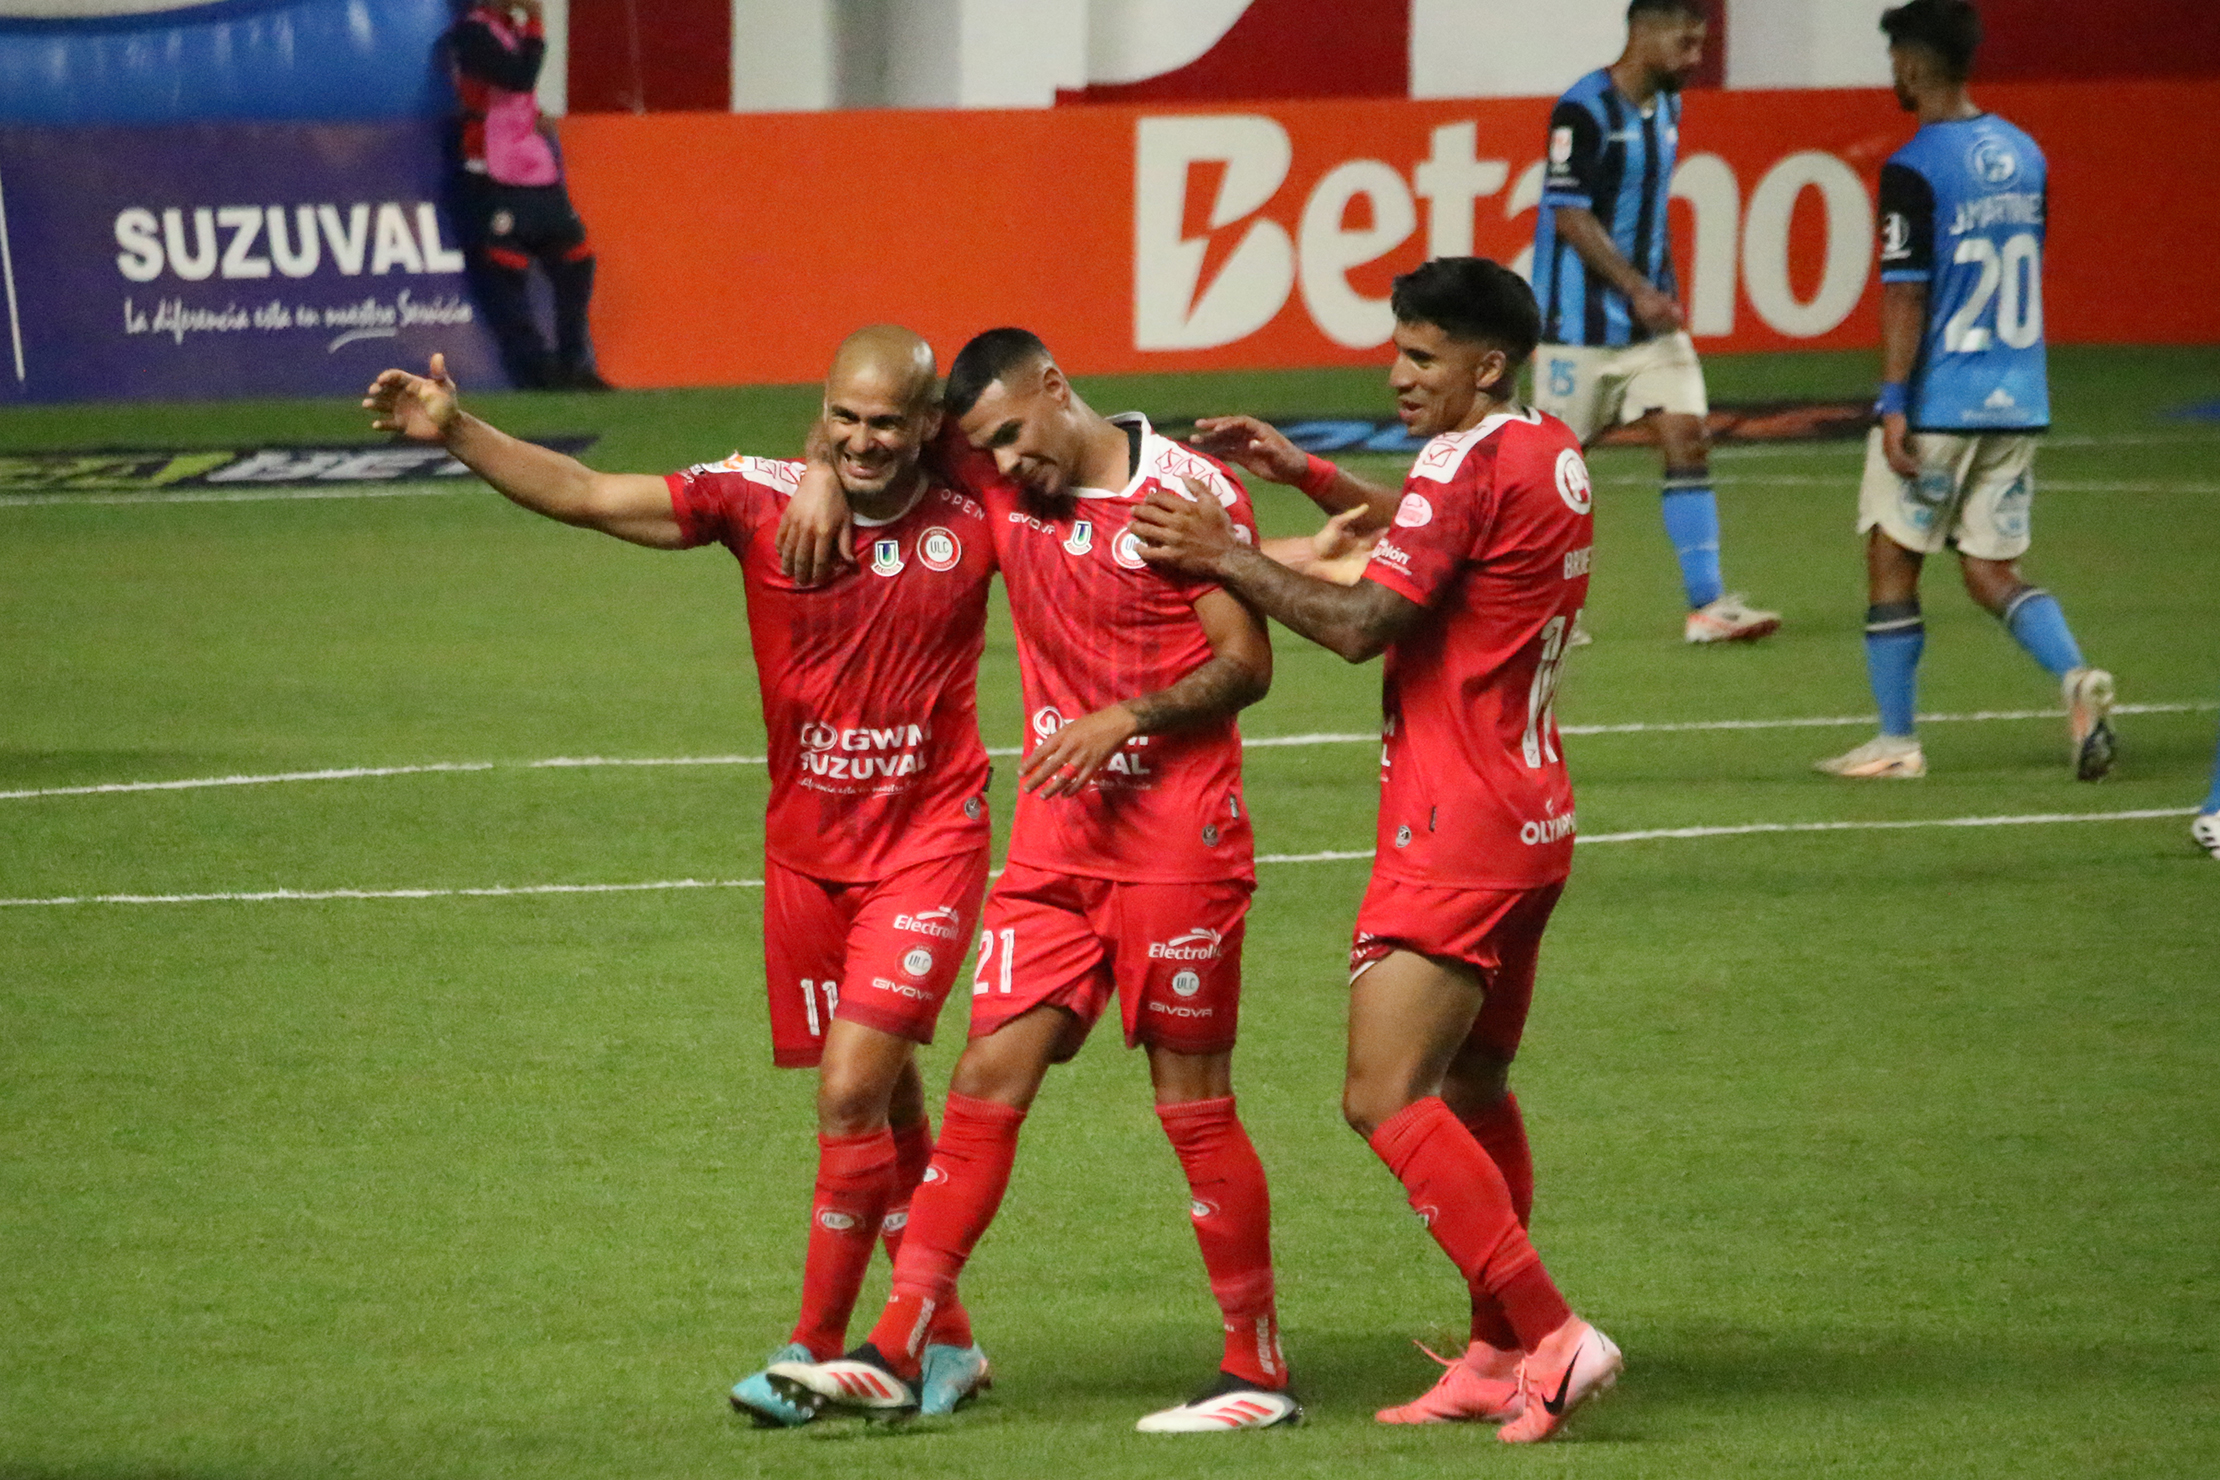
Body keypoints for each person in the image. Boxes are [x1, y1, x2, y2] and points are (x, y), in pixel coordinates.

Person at [361, 326, 994, 1423]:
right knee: (884, 1098)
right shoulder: (756, 500)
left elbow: (1087, 492)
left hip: (928, 845)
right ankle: (949, 1342)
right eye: (843, 419)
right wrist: (458, 430)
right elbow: (589, 494)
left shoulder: (975, 511)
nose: (861, 441)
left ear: (929, 424)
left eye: (887, 423)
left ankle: (814, 1352)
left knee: (849, 1091)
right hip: (806, 856)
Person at [768, 329, 1298, 1432]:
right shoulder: (1000, 469)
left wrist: (1128, 718)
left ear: (1056, 386)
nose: (1003, 467)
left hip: (1178, 851)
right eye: (988, 450)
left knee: (1192, 1107)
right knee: (983, 1083)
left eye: (1013, 437)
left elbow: (1247, 664)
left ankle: (1256, 1369)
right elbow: (870, 432)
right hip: (1055, 855)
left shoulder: (1184, 497)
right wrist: (818, 468)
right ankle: (898, 1346)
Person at [1132, 257, 1619, 1444]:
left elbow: (1360, 624)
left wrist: (1222, 551)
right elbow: (1439, 525)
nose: (1397, 374)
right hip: (1531, 817)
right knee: (1472, 1087)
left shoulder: (1464, 463)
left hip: (1452, 829)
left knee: (1382, 1095)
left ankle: (1555, 1333)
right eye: (1397, 350)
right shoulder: (1544, 447)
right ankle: (1498, 1351)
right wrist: (1305, 474)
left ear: (1484, 365)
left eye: (1421, 356)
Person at [1818, 0, 2114, 781]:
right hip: (2019, 396)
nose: (1893, 73)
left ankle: (1896, 741)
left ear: (1914, 63)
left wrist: (1892, 402)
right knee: (1990, 569)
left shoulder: (1913, 167)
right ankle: (2075, 676)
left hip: (1941, 399)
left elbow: (1907, 292)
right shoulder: (2025, 153)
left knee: (1892, 559)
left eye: (1895, 60)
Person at [1530, 0, 1777, 645]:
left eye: (1701, 45)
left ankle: (1708, 606)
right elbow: (1570, 215)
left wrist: (1656, 290)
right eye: (1685, 44)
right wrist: (1638, 288)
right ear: (1643, 33)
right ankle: (1540, 607)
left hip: (1650, 329)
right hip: (1576, 328)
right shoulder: (1582, 109)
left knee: (1687, 438)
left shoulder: (1667, 106)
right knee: (1546, 474)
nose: (1695, 60)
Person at [447, 0, 609, 391]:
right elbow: (517, 77)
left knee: (577, 260)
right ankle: (536, 369)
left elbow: (515, 94)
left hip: (534, 167)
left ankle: (575, 363)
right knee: (506, 272)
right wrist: (537, 24)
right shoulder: (471, 34)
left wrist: (534, 115)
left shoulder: (510, 31)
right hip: (493, 171)